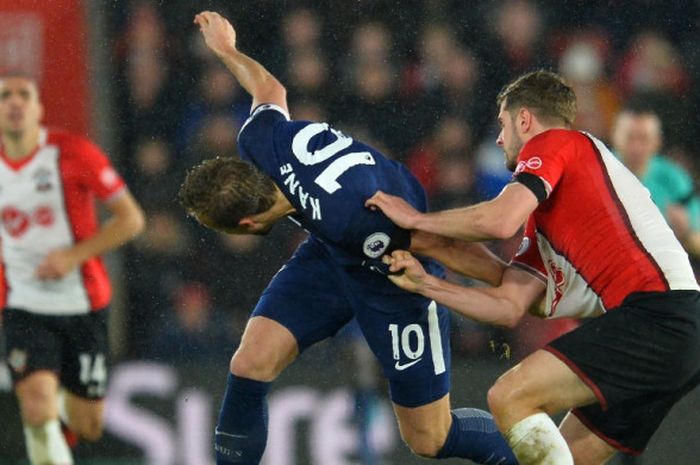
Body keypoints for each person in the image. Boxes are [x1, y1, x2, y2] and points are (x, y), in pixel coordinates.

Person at [180, 11, 518, 465]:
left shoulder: (349, 216)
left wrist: (511, 282)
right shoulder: (262, 141)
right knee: (249, 363)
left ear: (246, 225)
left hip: (393, 270)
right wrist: (226, 50)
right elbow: (270, 90)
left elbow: (437, 244)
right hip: (334, 250)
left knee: (431, 439)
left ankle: (531, 455)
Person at [367, 70, 700, 465]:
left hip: (658, 316)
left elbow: (496, 222)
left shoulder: (556, 142)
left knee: (509, 396)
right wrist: (426, 285)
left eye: (502, 125)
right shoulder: (551, 213)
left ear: (524, 120)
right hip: (675, 330)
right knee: (568, 457)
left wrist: (415, 220)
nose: (499, 138)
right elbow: (509, 304)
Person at [0, 74, 145, 465]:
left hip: (82, 304)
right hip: (22, 306)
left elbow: (131, 220)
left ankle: (55, 401)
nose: (14, 102)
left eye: (23, 95)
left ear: (38, 109)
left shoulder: (72, 153)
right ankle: (46, 401)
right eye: (4, 96)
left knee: (88, 425)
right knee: (35, 407)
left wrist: (73, 256)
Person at [612, 104, 700, 257]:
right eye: (629, 138)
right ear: (614, 136)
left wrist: (685, 232)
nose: (636, 147)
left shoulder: (674, 180)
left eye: (644, 139)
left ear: (657, 141)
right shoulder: (595, 171)